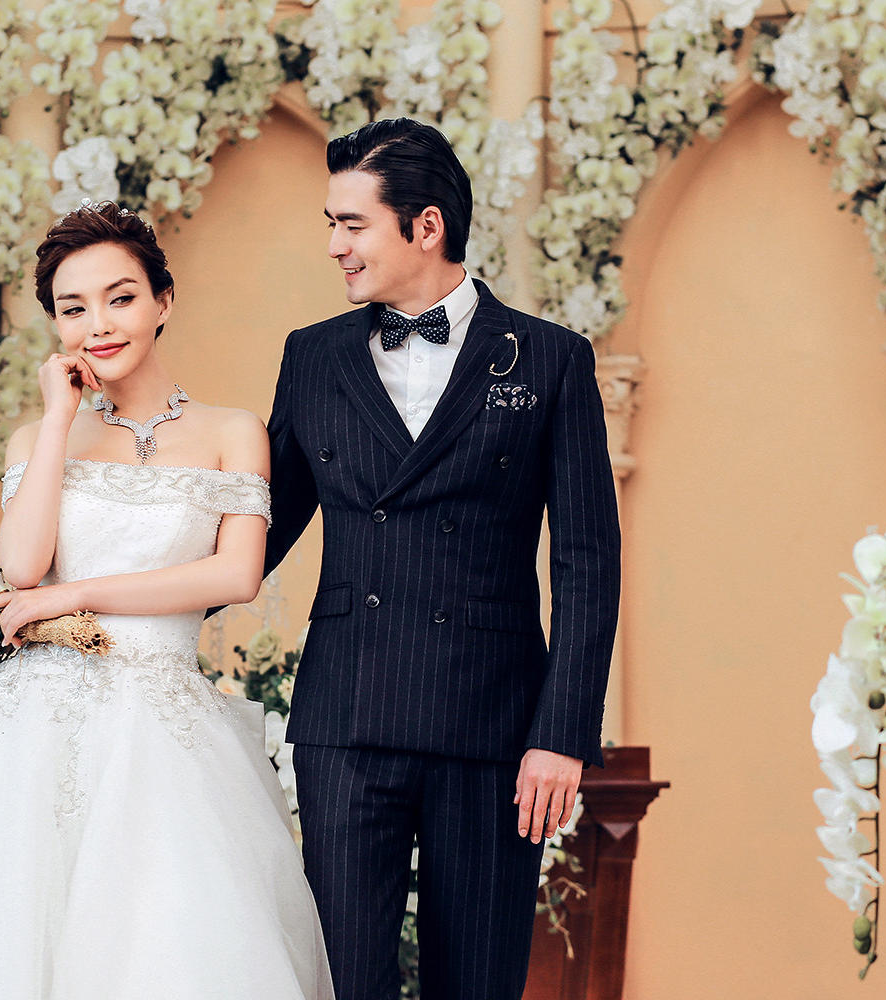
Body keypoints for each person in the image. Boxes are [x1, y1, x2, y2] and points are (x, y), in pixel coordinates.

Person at [0, 201, 333, 1000]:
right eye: (73, 308)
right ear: (55, 324)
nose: (98, 325)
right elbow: (22, 567)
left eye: (121, 298)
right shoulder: (39, 435)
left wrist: (75, 595)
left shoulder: (233, 431)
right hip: (33, 728)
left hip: (166, 730)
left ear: (163, 301)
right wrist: (57, 419)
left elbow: (235, 578)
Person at [263, 118, 621, 1000]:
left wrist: (561, 734)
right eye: (332, 223)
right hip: (346, 722)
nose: (334, 246)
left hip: (492, 726)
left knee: (479, 983)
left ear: (426, 226)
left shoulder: (550, 359)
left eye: (353, 225)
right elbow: (260, 529)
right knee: (345, 982)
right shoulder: (312, 355)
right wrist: (109, 601)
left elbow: (586, 560)